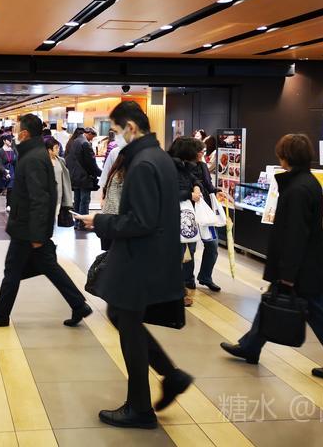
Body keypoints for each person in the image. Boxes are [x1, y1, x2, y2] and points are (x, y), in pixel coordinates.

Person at [77, 101, 191, 430]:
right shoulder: (159, 157)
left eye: (115, 130)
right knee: (121, 317)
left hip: (140, 261)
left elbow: (140, 221)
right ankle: (171, 376)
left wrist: (100, 221)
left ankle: (141, 408)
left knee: (126, 322)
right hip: (154, 258)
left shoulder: (142, 164)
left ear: (130, 128)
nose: (114, 137)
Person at [221, 134, 323, 381]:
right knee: (272, 301)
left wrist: (287, 274)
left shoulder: (297, 189)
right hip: (303, 264)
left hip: (299, 268)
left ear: (286, 157)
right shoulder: (306, 182)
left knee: (319, 315)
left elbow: (295, 234)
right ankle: (251, 346)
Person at [0, 114, 91, 329]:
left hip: (27, 228)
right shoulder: (35, 155)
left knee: (13, 270)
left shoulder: (33, 158)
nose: (14, 133)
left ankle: (0, 314)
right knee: (47, 267)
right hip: (28, 226)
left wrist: (37, 233)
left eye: (17, 129)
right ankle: (78, 304)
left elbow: (41, 198)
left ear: (25, 134)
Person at [168, 137, 207, 307]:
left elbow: (194, 180)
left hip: (184, 217)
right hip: (172, 218)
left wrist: (196, 187)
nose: (201, 154)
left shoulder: (184, 166)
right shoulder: (170, 167)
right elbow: (168, 193)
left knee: (183, 254)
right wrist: (189, 194)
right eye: (198, 151)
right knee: (174, 257)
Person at [190, 139, 221, 292]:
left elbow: (208, 186)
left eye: (203, 151)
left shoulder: (202, 165)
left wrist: (217, 191)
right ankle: (188, 279)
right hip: (189, 211)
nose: (202, 153)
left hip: (205, 210)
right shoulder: (182, 167)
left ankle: (205, 277)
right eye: (200, 151)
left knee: (212, 245)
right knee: (190, 247)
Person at [65, 127, 101, 228]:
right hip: (84, 177)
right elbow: (91, 163)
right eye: (92, 137)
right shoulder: (85, 143)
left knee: (77, 200)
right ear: (89, 133)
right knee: (84, 201)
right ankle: (83, 223)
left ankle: (77, 222)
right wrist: (99, 173)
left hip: (74, 176)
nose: (92, 139)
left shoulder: (74, 141)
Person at [46, 137, 73, 223]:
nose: (58, 150)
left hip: (59, 195)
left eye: (58, 147)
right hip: (47, 195)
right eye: (56, 148)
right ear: (49, 150)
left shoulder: (61, 161)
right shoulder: (43, 162)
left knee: (55, 216)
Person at [0, 135, 17, 211]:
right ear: (4, 141)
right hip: (2, 171)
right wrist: (5, 172)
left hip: (11, 170)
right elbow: (0, 164)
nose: (10, 141)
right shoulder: (0, 151)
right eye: (8, 140)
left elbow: (16, 161)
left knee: (10, 188)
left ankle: (8, 205)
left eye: (11, 140)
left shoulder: (13, 150)